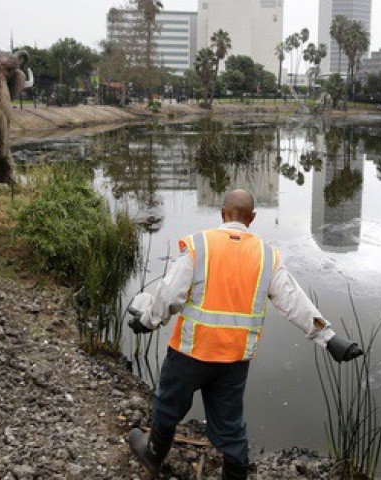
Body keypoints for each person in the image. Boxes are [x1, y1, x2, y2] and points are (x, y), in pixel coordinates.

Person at [128, 189, 363, 479]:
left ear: (222, 213)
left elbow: (168, 297)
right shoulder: (266, 256)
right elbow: (293, 301)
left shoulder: (198, 245)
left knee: (167, 406)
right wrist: (329, 338)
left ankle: (153, 457)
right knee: (230, 425)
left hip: (190, 353)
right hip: (234, 360)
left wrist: (147, 322)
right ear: (252, 218)